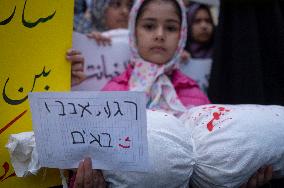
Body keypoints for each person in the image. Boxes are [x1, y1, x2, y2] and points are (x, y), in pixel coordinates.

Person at [68, 0, 272, 187]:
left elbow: (209, 156)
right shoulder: (113, 92)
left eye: (171, 28)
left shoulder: (194, 93)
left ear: (182, 34)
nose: (159, 34)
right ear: (134, 32)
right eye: (149, 26)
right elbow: (95, 154)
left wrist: (238, 178)